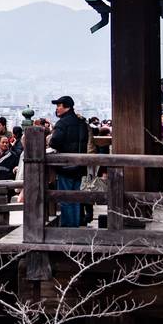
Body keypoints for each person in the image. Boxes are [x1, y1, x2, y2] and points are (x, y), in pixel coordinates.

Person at [47, 95, 89, 228]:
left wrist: (49, 140)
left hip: (66, 166)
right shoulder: (81, 122)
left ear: (67, 107)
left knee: (65, 198)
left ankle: (67, 228)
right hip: (80, 164)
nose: (57, 109)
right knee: (75, 198)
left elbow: (55, 142)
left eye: (59, 106)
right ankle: (75, 226)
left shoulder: (62, 123)